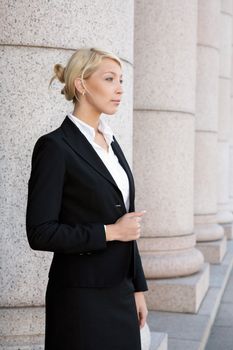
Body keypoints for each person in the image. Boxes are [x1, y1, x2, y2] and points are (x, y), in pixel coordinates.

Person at [26, 47, 148, 350]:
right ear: (81, 85)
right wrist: (111, 232)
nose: (119, 89)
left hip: (121, 292)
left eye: (121, 80)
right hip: (81, 300)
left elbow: (128, 221)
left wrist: (138, 289)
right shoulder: (55, 147)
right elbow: (40, 232)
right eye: (109, 79)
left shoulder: (110, 141)